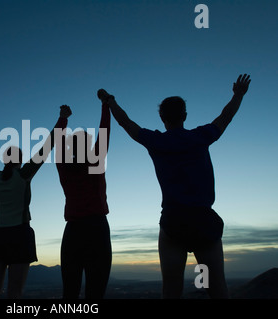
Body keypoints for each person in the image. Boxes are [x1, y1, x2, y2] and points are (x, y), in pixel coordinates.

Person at [99, 74, 251, 298]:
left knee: (171, 290)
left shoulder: (157, 142)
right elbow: (225, 117)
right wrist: (238, 95)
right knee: (216, 288)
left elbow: (125, 122)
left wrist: (110, 101)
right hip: (203, 223)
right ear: (185, 116)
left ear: (162, 117)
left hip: (174, 223)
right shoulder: (200, 137)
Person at [0, 105, 72, 299]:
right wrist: (62, 119)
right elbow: (47, 145)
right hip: (19, 235)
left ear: (4, 159)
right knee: (14, 293)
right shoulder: (24, 174)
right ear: (21, 159)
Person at [54, 95, 111, 299]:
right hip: (97, 229)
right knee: (96, 292)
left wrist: (63, 118)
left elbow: (57, 142)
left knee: (70, 291)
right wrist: (106, 105)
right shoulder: (95, 163)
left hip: (73, 231)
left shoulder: (64, 166)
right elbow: (104, 132)